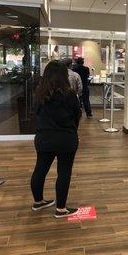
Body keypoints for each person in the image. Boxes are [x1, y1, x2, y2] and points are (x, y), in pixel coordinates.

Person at [31, 60, 81, 218]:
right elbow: (77, 116)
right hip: (66, 138)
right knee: (64, 172)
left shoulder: (39, 94)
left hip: (43, 138)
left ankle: (38, 202)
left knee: (40, 169)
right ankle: (61, 209)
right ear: (64, 76)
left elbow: (36, 115)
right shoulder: (70, 95)